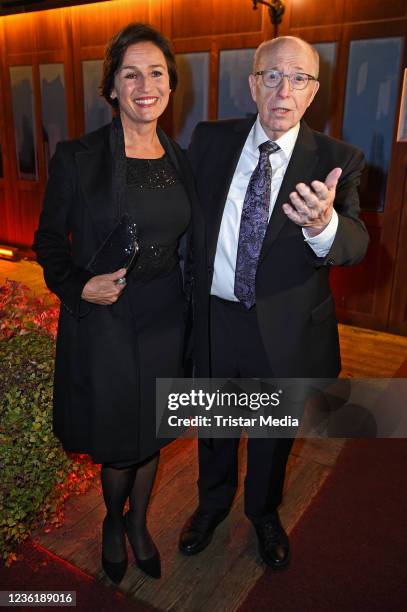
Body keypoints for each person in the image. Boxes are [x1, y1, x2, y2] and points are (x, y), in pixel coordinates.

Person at [179, 36, 369, 569]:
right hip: (215, 319)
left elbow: (354, 246)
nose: (284, 90)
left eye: (300, 79)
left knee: (270, 436)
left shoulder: (337, 159)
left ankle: (263, 513)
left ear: (313, 93)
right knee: (214, 426)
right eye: (272, 76)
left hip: (284, 330)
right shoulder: (211, 141)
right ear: (252, 83)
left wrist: (323, 223)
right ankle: (211, 505)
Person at [33, 23, 202, 584]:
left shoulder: (182, 160)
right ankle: (112, 521)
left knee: (152, 428)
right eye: (130, 73)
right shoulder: (78, 159)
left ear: (171, 87)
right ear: (112, 89)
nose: (144, 84)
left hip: (164, 317)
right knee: (118, 435)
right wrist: (78, 284)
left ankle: (137, 525)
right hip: (107, 317)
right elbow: (50, 242)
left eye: (156, 73)